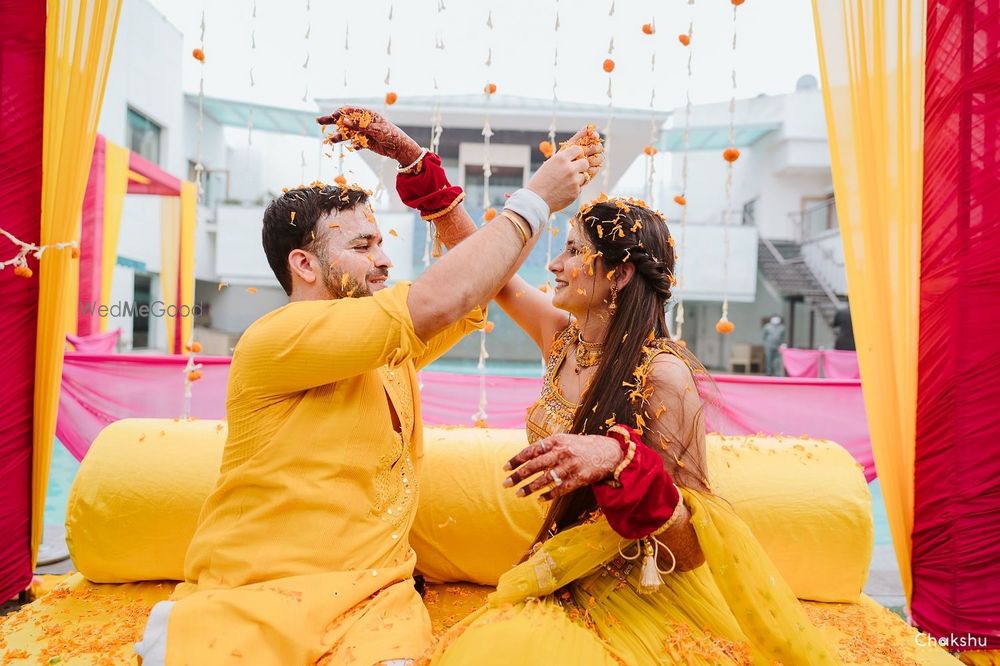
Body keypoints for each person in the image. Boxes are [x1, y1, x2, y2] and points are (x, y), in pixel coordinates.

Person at [134, 107, 604, 666]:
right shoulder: (277, 338)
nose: (383, 261)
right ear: (304, 265)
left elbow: (478, 287)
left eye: (380, 243)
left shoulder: (382, 344)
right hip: (256, 602)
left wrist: (413, 161)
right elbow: (441, 298)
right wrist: (534, 201)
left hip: (373, 609)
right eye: (362, 247)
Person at [406, 191, 839, 663]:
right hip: (561, 572)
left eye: (573, 250)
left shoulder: (662, 376)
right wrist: (428, 182)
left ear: (621, 273)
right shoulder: (560, 340)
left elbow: (692, 547)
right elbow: (494, 276)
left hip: (636, 593)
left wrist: (620, 463)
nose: (554, 264)